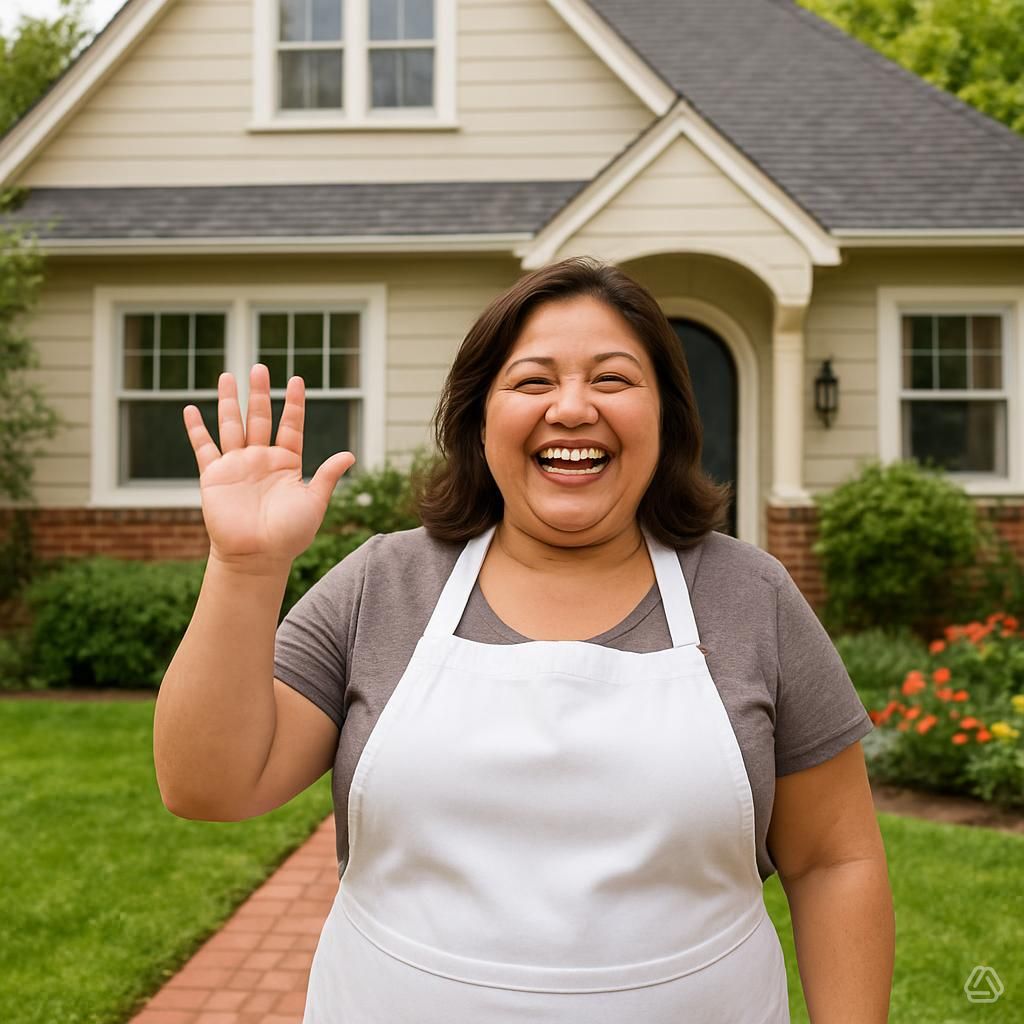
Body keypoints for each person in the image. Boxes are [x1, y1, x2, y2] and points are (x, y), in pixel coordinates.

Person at [154, 256, 895, 1022]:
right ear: (479, 418)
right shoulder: (385, 584)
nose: (572, 409)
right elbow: (207, 786)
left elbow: (834, 860)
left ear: (668, 416)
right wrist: (245, 567)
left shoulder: (751, 596)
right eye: (533, 381)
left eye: (611, 380)